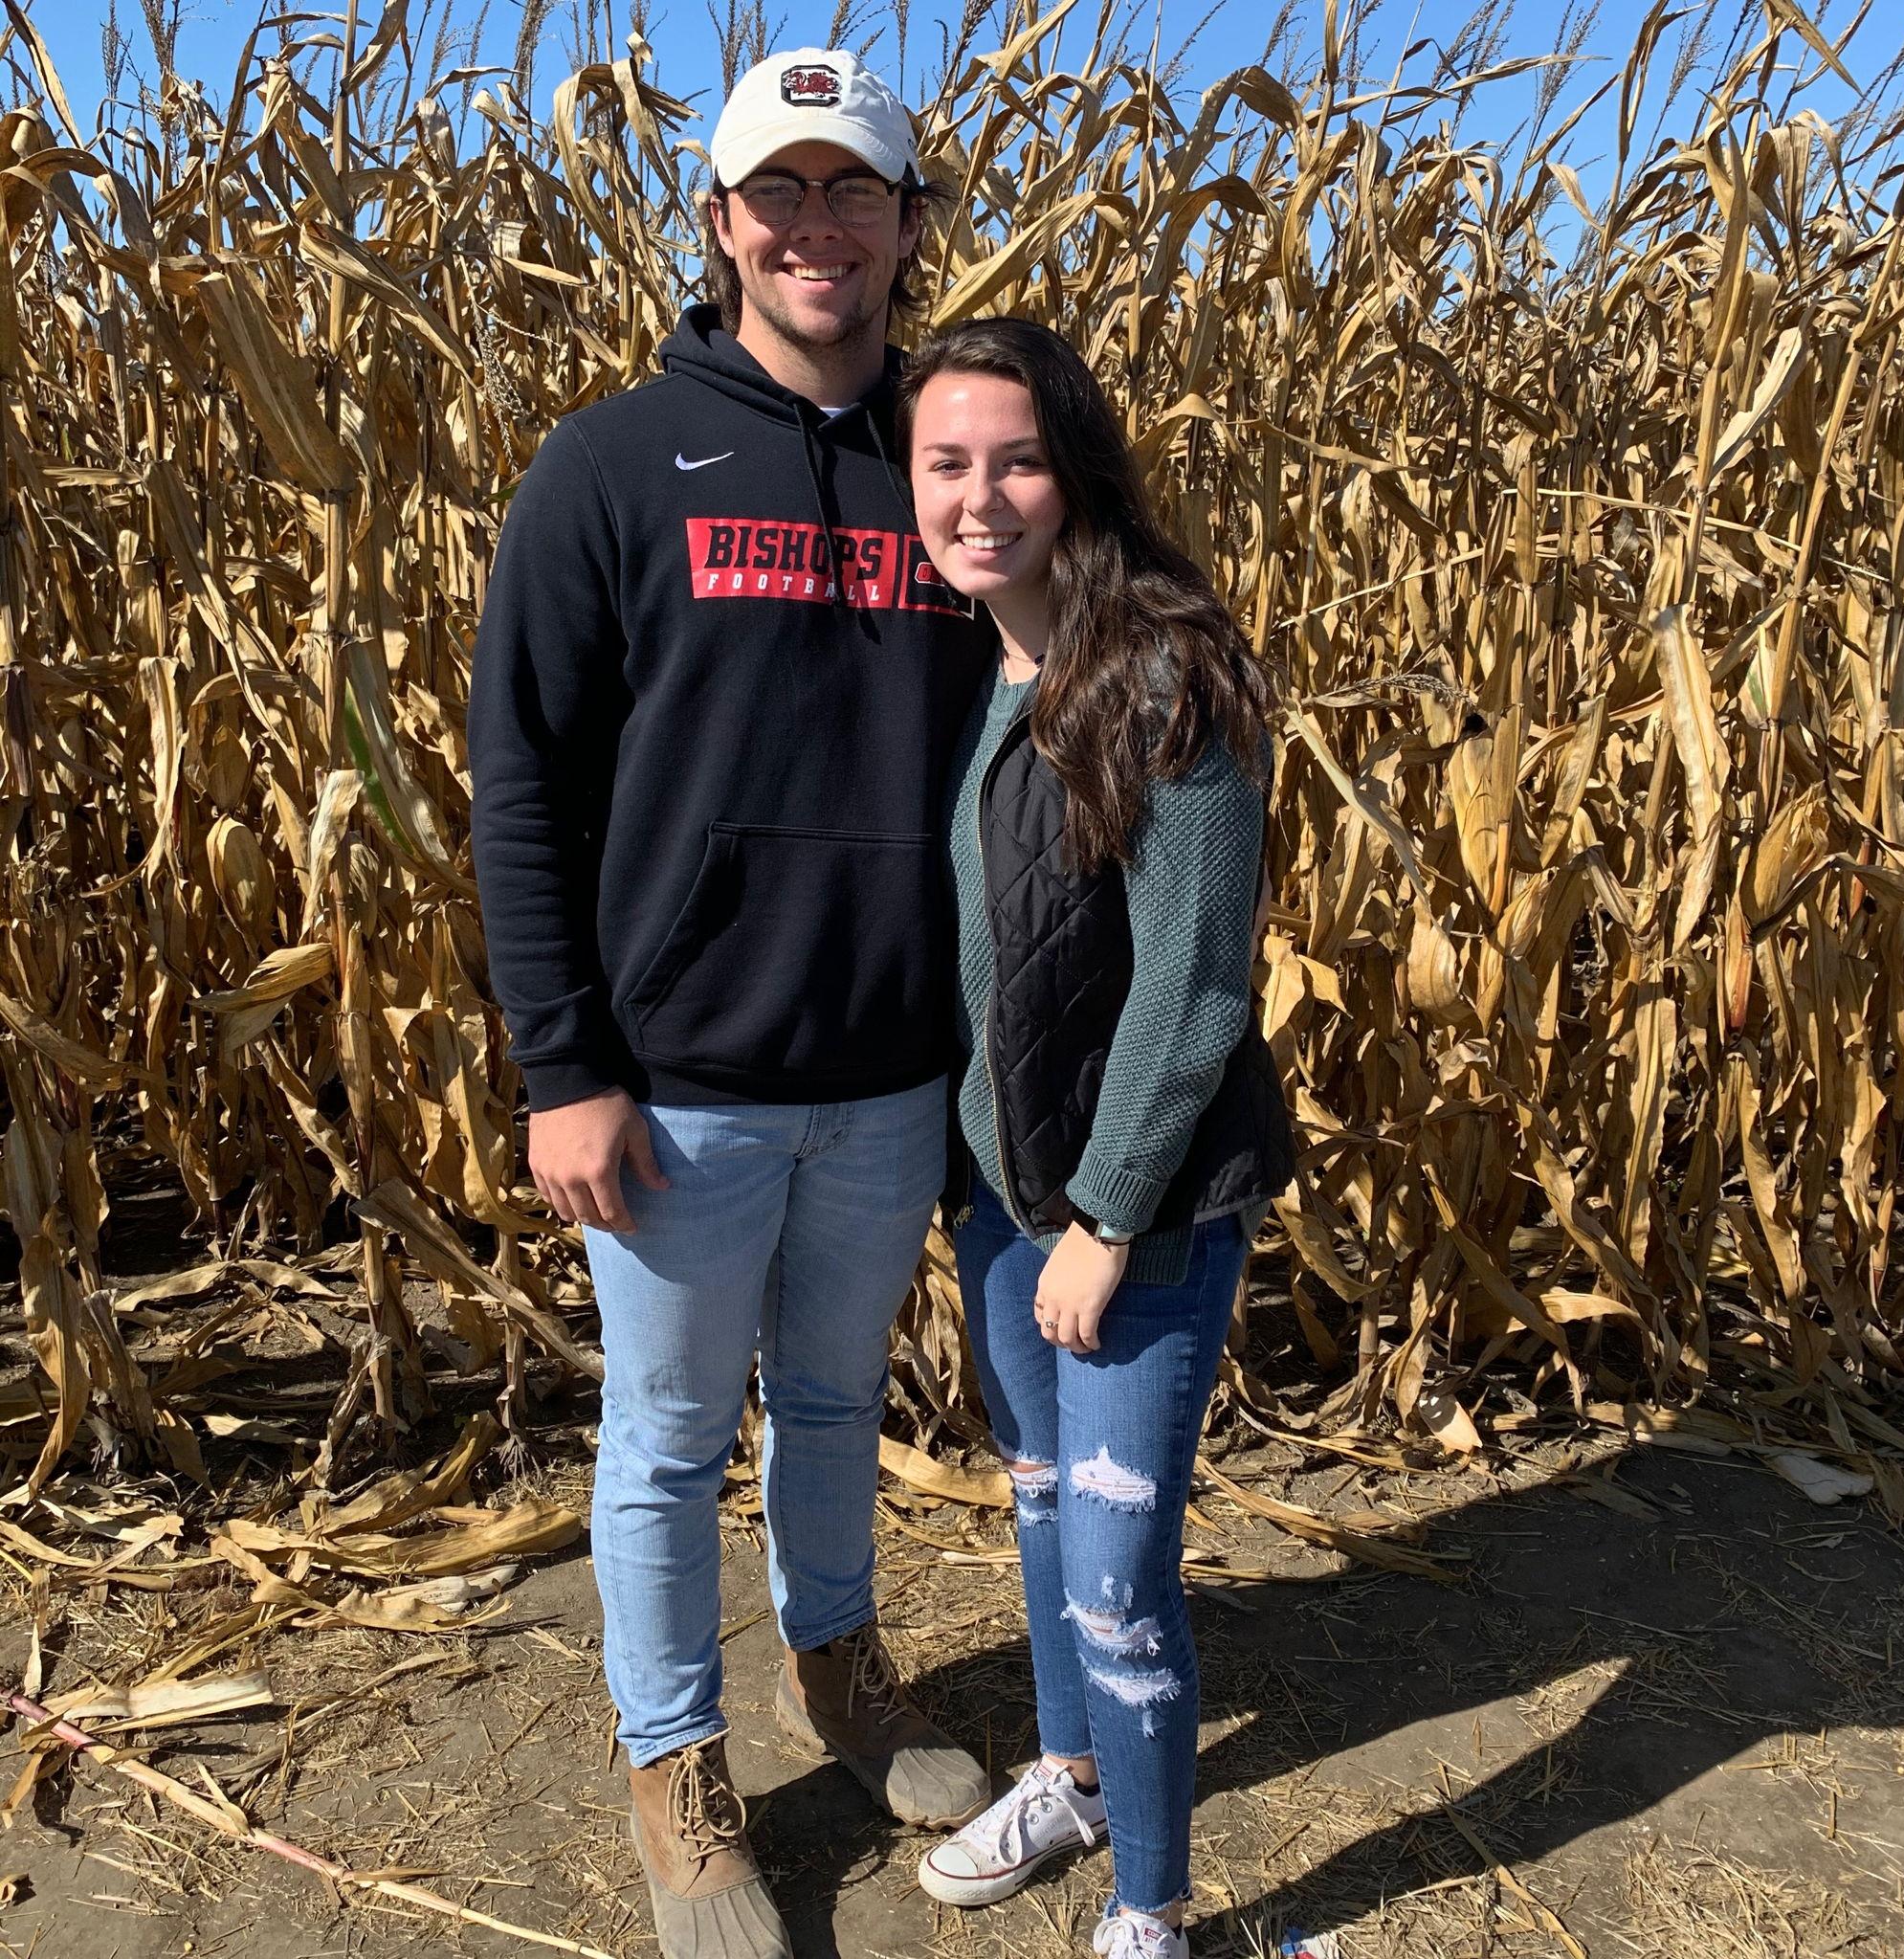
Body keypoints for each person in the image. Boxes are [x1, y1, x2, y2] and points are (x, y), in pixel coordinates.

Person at [466, 48, 996, 1959]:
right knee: (673, 1437)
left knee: (844, 1397)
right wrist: (564, 1066)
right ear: (717, 225)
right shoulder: (612, 463)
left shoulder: (960, 462)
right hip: (677, 1082)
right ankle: (676, 1770)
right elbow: (519, 781)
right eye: (777, 191)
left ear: (906, 225)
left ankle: (838, 1665)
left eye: (854, 190)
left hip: (886, 1073)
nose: (815, 227)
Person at [897, 319, 1295, 1959]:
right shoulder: (967, 663)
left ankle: (1153, 1916)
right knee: (1046, 1504)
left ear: (1075, 474)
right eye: (944, 464)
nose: (978, 496)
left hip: (1131, 1215)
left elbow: (1199, 983)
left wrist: (1111, 1211)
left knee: (1121, 1572)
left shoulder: (1164, 675)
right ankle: (1069, 1778)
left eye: (1015, 460)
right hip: (1006, 1199)